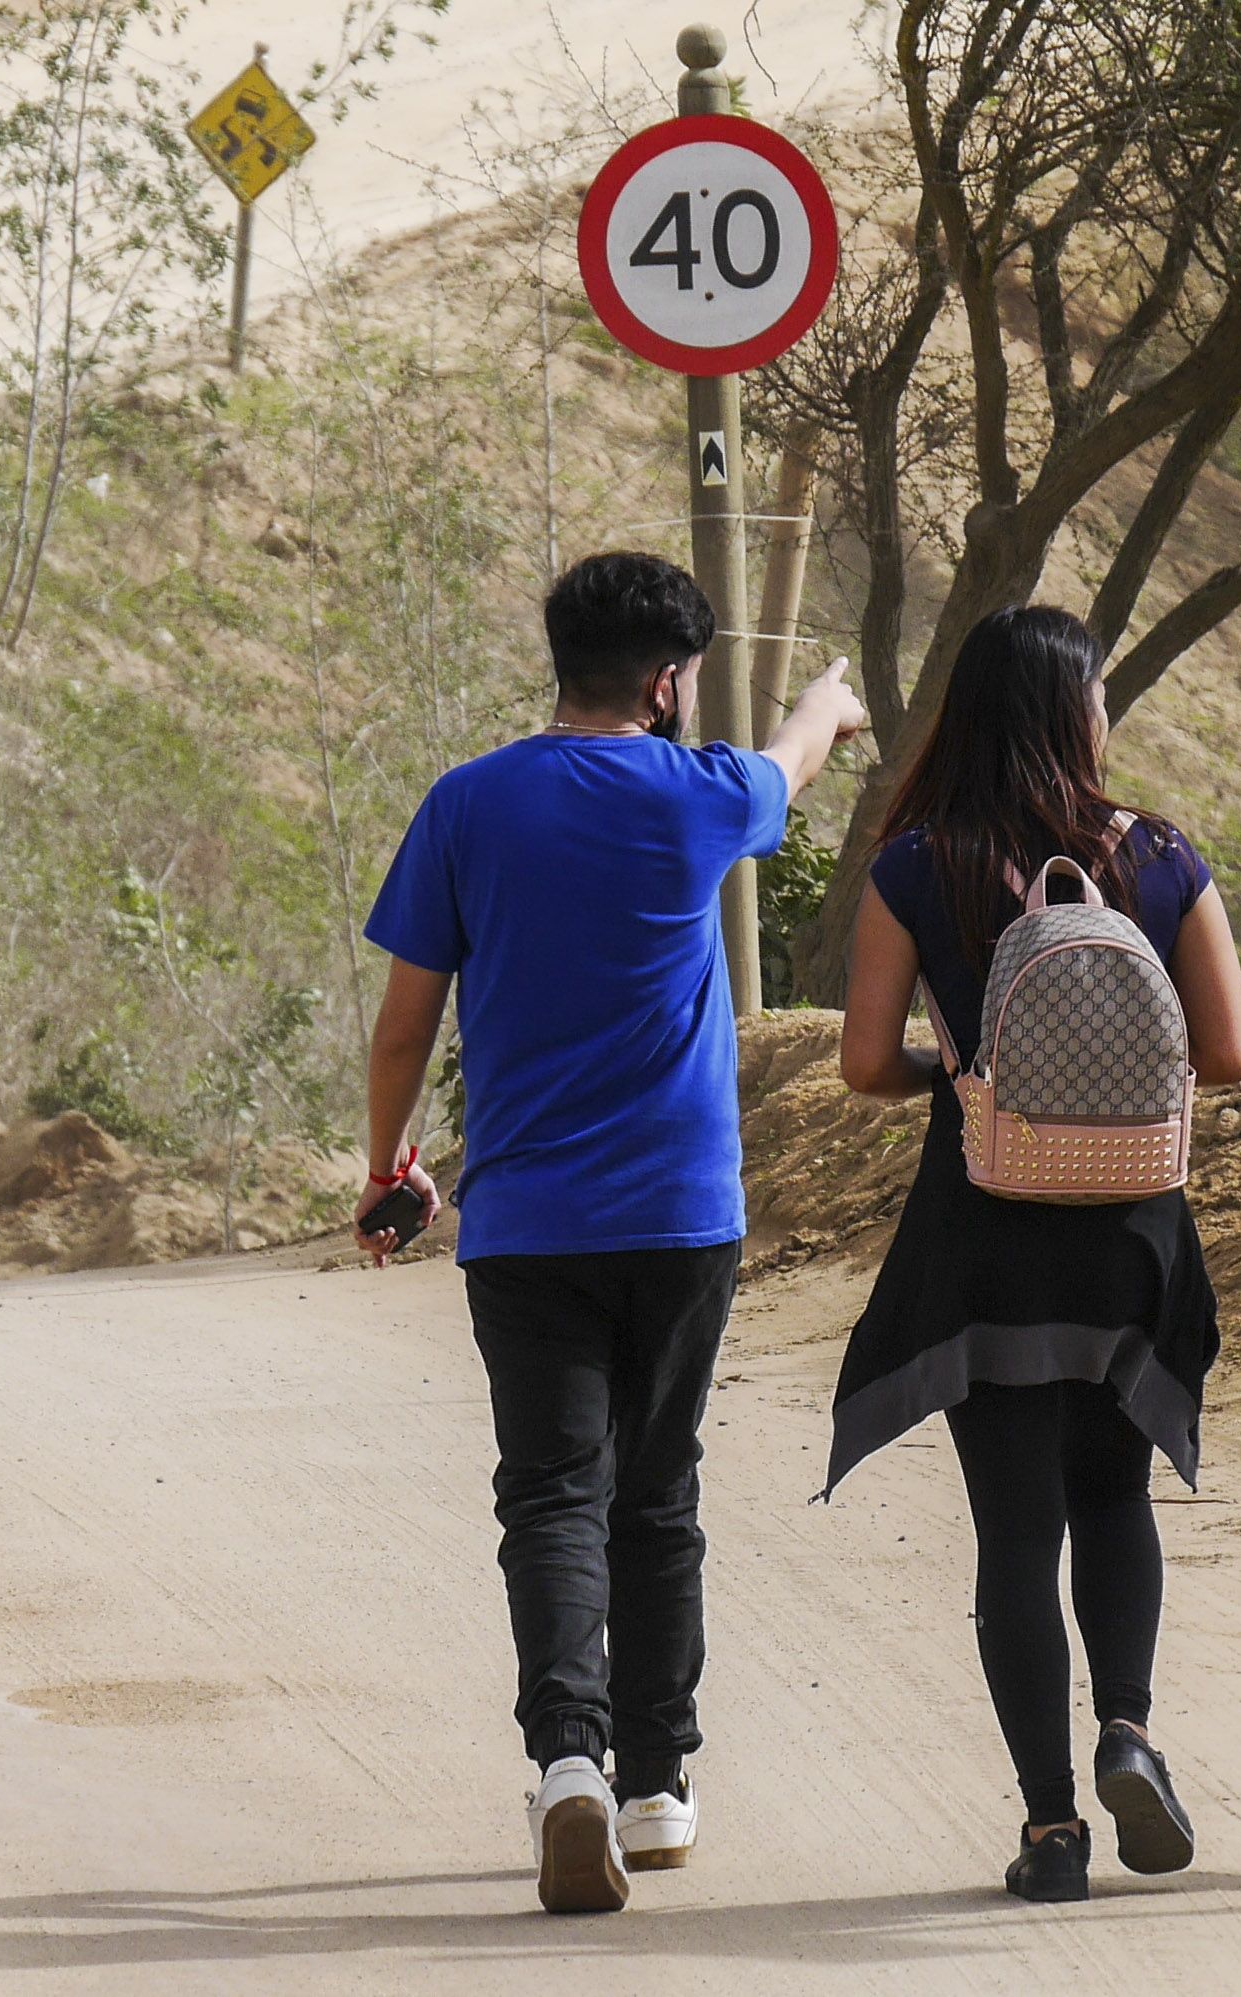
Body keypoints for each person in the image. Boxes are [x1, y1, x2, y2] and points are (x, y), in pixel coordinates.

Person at [357, 550, 867, 1914]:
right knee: (658, 1487)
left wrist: (387, 1163)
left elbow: (406, 1018)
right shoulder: (697, 798)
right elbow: (795, 762)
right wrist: (829, 699)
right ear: (665, 680)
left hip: (525, 1221)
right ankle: (655, 1783)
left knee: (551, 1490)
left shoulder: (468, 805)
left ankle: (567, 1763)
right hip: (681, 1215)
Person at [830, 605, 1241, 1904]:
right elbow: (1230, 1056)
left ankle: (1053, 1828)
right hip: (1129, 1238)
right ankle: (1129, 1726)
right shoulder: (1164, 856)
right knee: (1113, 1496)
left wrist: (960, 1075)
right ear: (1078, 715)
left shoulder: (918, 865)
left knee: (1016, 1532)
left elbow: (860, 1063)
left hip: (986, 1238)